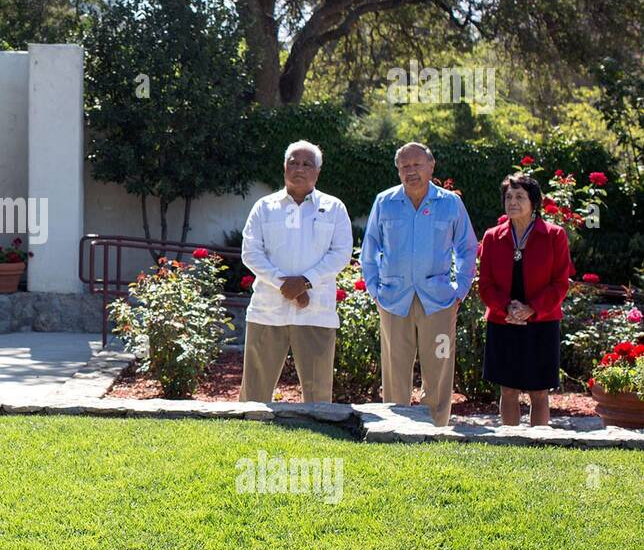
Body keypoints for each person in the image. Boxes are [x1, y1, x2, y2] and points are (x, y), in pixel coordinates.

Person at [359, 142, 478, 426]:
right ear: (398, 170)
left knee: (438, 369)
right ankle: (394, 431)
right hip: (393, 301)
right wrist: (375, 290)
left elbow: (467, 248)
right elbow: (370, 249)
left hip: (438, 302)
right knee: (394, 372)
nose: (410, 171)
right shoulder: (384, 202)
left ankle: (435, 429)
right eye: (404, 166)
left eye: (416, 165)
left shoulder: (450, 203)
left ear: (431, 166)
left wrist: (459, 291)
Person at [239, 140, 353, 403]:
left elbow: (340, 254)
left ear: (317, 172)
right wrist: (285, 285)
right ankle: (246, 437)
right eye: (293, 162)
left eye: (307, 164)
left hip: (316, 312)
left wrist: (305, 282)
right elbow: (251, 252)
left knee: (318, 397)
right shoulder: (264, 207)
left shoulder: (334, 208)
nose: (299, 168)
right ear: (284, 167)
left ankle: (316, 441)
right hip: (267, 311)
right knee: (254, 395)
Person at [477, 174, 573, 426]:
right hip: (503, 321)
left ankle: (538, 448)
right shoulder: (491, 237)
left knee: (538, 392)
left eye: (520, 196)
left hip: (542, 322)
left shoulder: (555, 235)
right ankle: (511, 447)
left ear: (534, 202)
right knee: (507, 390)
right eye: (508, 197)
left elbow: (560, 283)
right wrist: (507, 307)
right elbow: (485, 284)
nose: (513, 202)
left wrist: (532, 309)